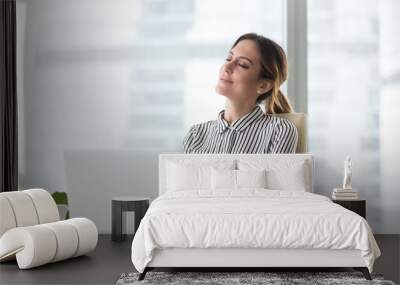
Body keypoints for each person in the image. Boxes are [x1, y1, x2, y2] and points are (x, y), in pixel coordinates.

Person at [183, 33, 298, 154]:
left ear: (263, 85)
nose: (226, 66)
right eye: (228, 58)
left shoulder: (279, 132)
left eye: (242, 64)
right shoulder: (196, 135)